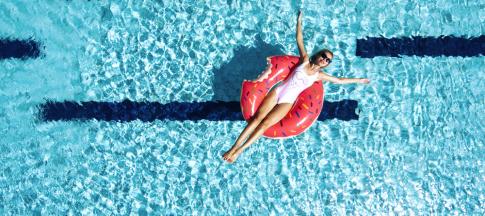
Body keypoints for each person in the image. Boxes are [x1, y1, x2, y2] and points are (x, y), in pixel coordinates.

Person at [222, 10, 370, 163]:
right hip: (277, 91)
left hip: (287, 101)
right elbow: (299, 39)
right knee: (256, 119)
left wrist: (359, 80)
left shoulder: (319, 76)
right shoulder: (304, 60)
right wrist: (299, 22)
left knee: (264, 125)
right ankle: (232, 148)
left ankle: (239, 151)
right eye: (324, 56)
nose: (325, 60)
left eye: (328, 61)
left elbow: (339, 80)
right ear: (318, 55)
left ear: (327, 65)